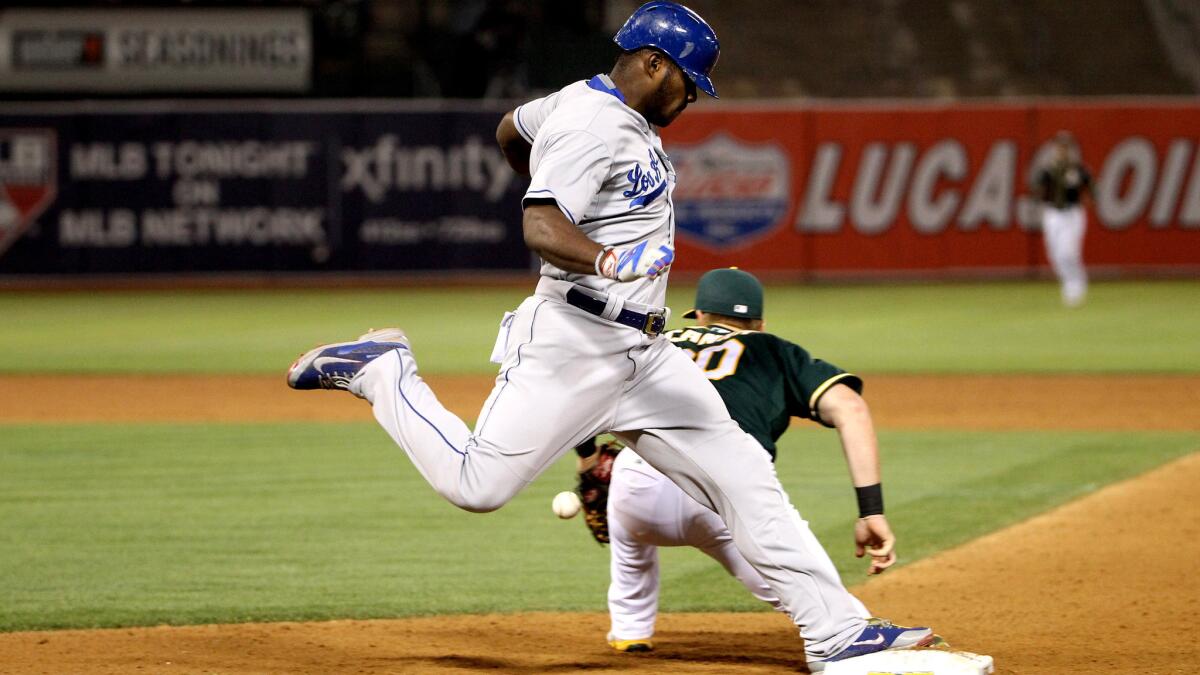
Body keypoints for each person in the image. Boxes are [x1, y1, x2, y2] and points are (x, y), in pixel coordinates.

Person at [286, 3, 933, 669]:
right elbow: (539, 226)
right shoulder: (593, 125)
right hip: (573, 342)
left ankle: (838, 632)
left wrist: (558, 192)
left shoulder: (578, 101)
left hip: (647, 356)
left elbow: (511, 129)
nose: (691, 97)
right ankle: (385, 371)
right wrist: (601, 255)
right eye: (688, 82)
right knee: (478, 485)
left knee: (745, 476)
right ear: (654, 65)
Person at [578, 268, 901, 654]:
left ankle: (630, 630)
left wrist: (589, 459)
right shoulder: (772, 348)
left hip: (639, 489)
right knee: (803, 586)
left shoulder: (653, 341)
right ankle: (856, 633)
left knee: (631, 545)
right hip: (727, 491)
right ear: (759, 324)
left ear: (698, 315)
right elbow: (850, 408)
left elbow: (576, 392)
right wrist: (870, 511)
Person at [1035, 131, 1093, 307]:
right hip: (1052, 213)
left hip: (1072, 213)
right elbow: (1038, 188)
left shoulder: (1078, 169)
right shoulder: (1048, 169)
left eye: (1065, 147)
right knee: (1055, 254)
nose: (1062, 151)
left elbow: (1090, 187)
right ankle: (1069, 282)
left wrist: (1089, 198)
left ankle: (1075, 285)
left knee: (1068, 252)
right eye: (1059, 147)